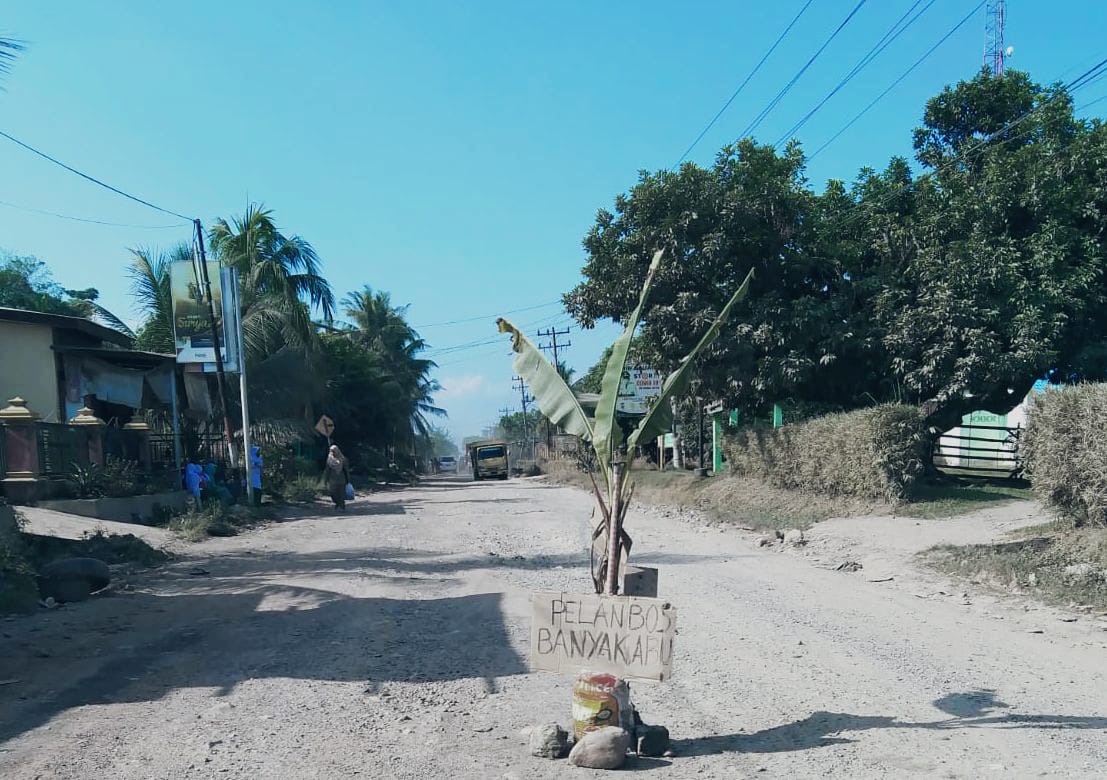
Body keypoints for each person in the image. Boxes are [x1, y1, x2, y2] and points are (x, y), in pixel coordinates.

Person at [324, 444, 351, 511]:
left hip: (341, 479)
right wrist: (325, 479)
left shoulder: (343, 459)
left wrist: (348, 479)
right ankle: (337, 503)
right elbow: (327, 470)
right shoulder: (329, 459)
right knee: (333, 493)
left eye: (334, 451)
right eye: (331, 451)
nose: (332, 452)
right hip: (332, 479)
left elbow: (346, 470)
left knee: (341, 494)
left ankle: (342, 505)